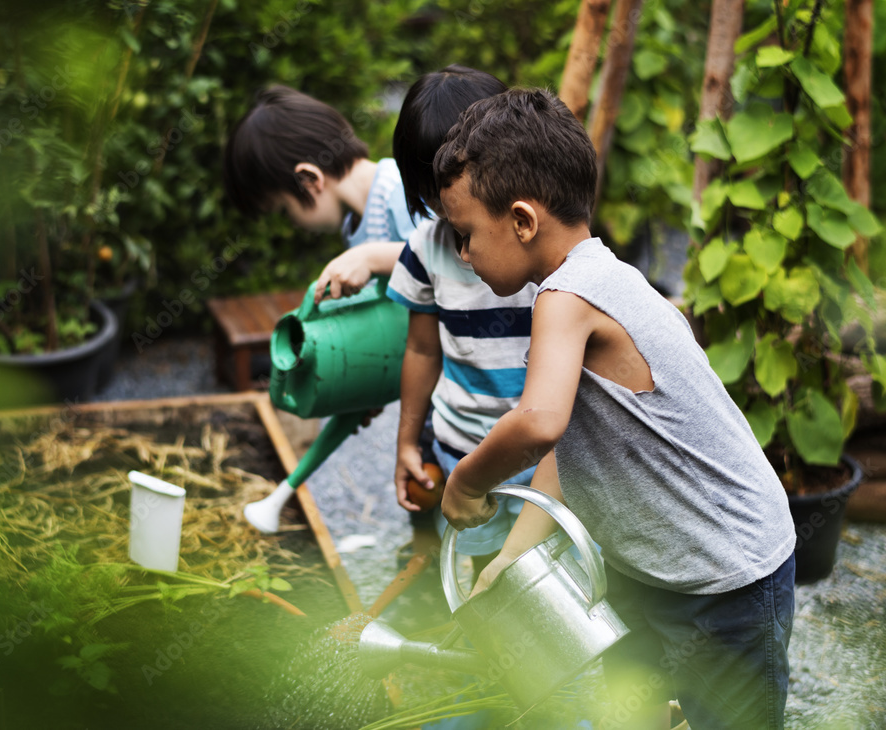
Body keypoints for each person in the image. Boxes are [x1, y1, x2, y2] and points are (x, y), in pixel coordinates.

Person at [433, 88, 798, 730]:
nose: (462, 255)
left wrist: (466, 480)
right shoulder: (598, 279)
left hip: (729, 580)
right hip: (647, 568)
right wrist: (511, 557)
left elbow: (537, 425)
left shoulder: (569, 297)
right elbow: (566, 448)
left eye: (465, 236)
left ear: (522, 221)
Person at [387, 66, 539, 574]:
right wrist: (408, 440)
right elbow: (422, 350)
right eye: (433, 192)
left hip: (547, 457)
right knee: (485, 576)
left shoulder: (541, 246)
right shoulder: (425, 252)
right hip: (462, 448)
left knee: (554, 574)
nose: (448, 205)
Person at [223, 85, 416, 303]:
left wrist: (370, 258)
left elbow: (450, 256)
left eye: (285, 211)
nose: (292, 225)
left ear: (309, 179)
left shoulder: (401, 189)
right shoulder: (353, 223)